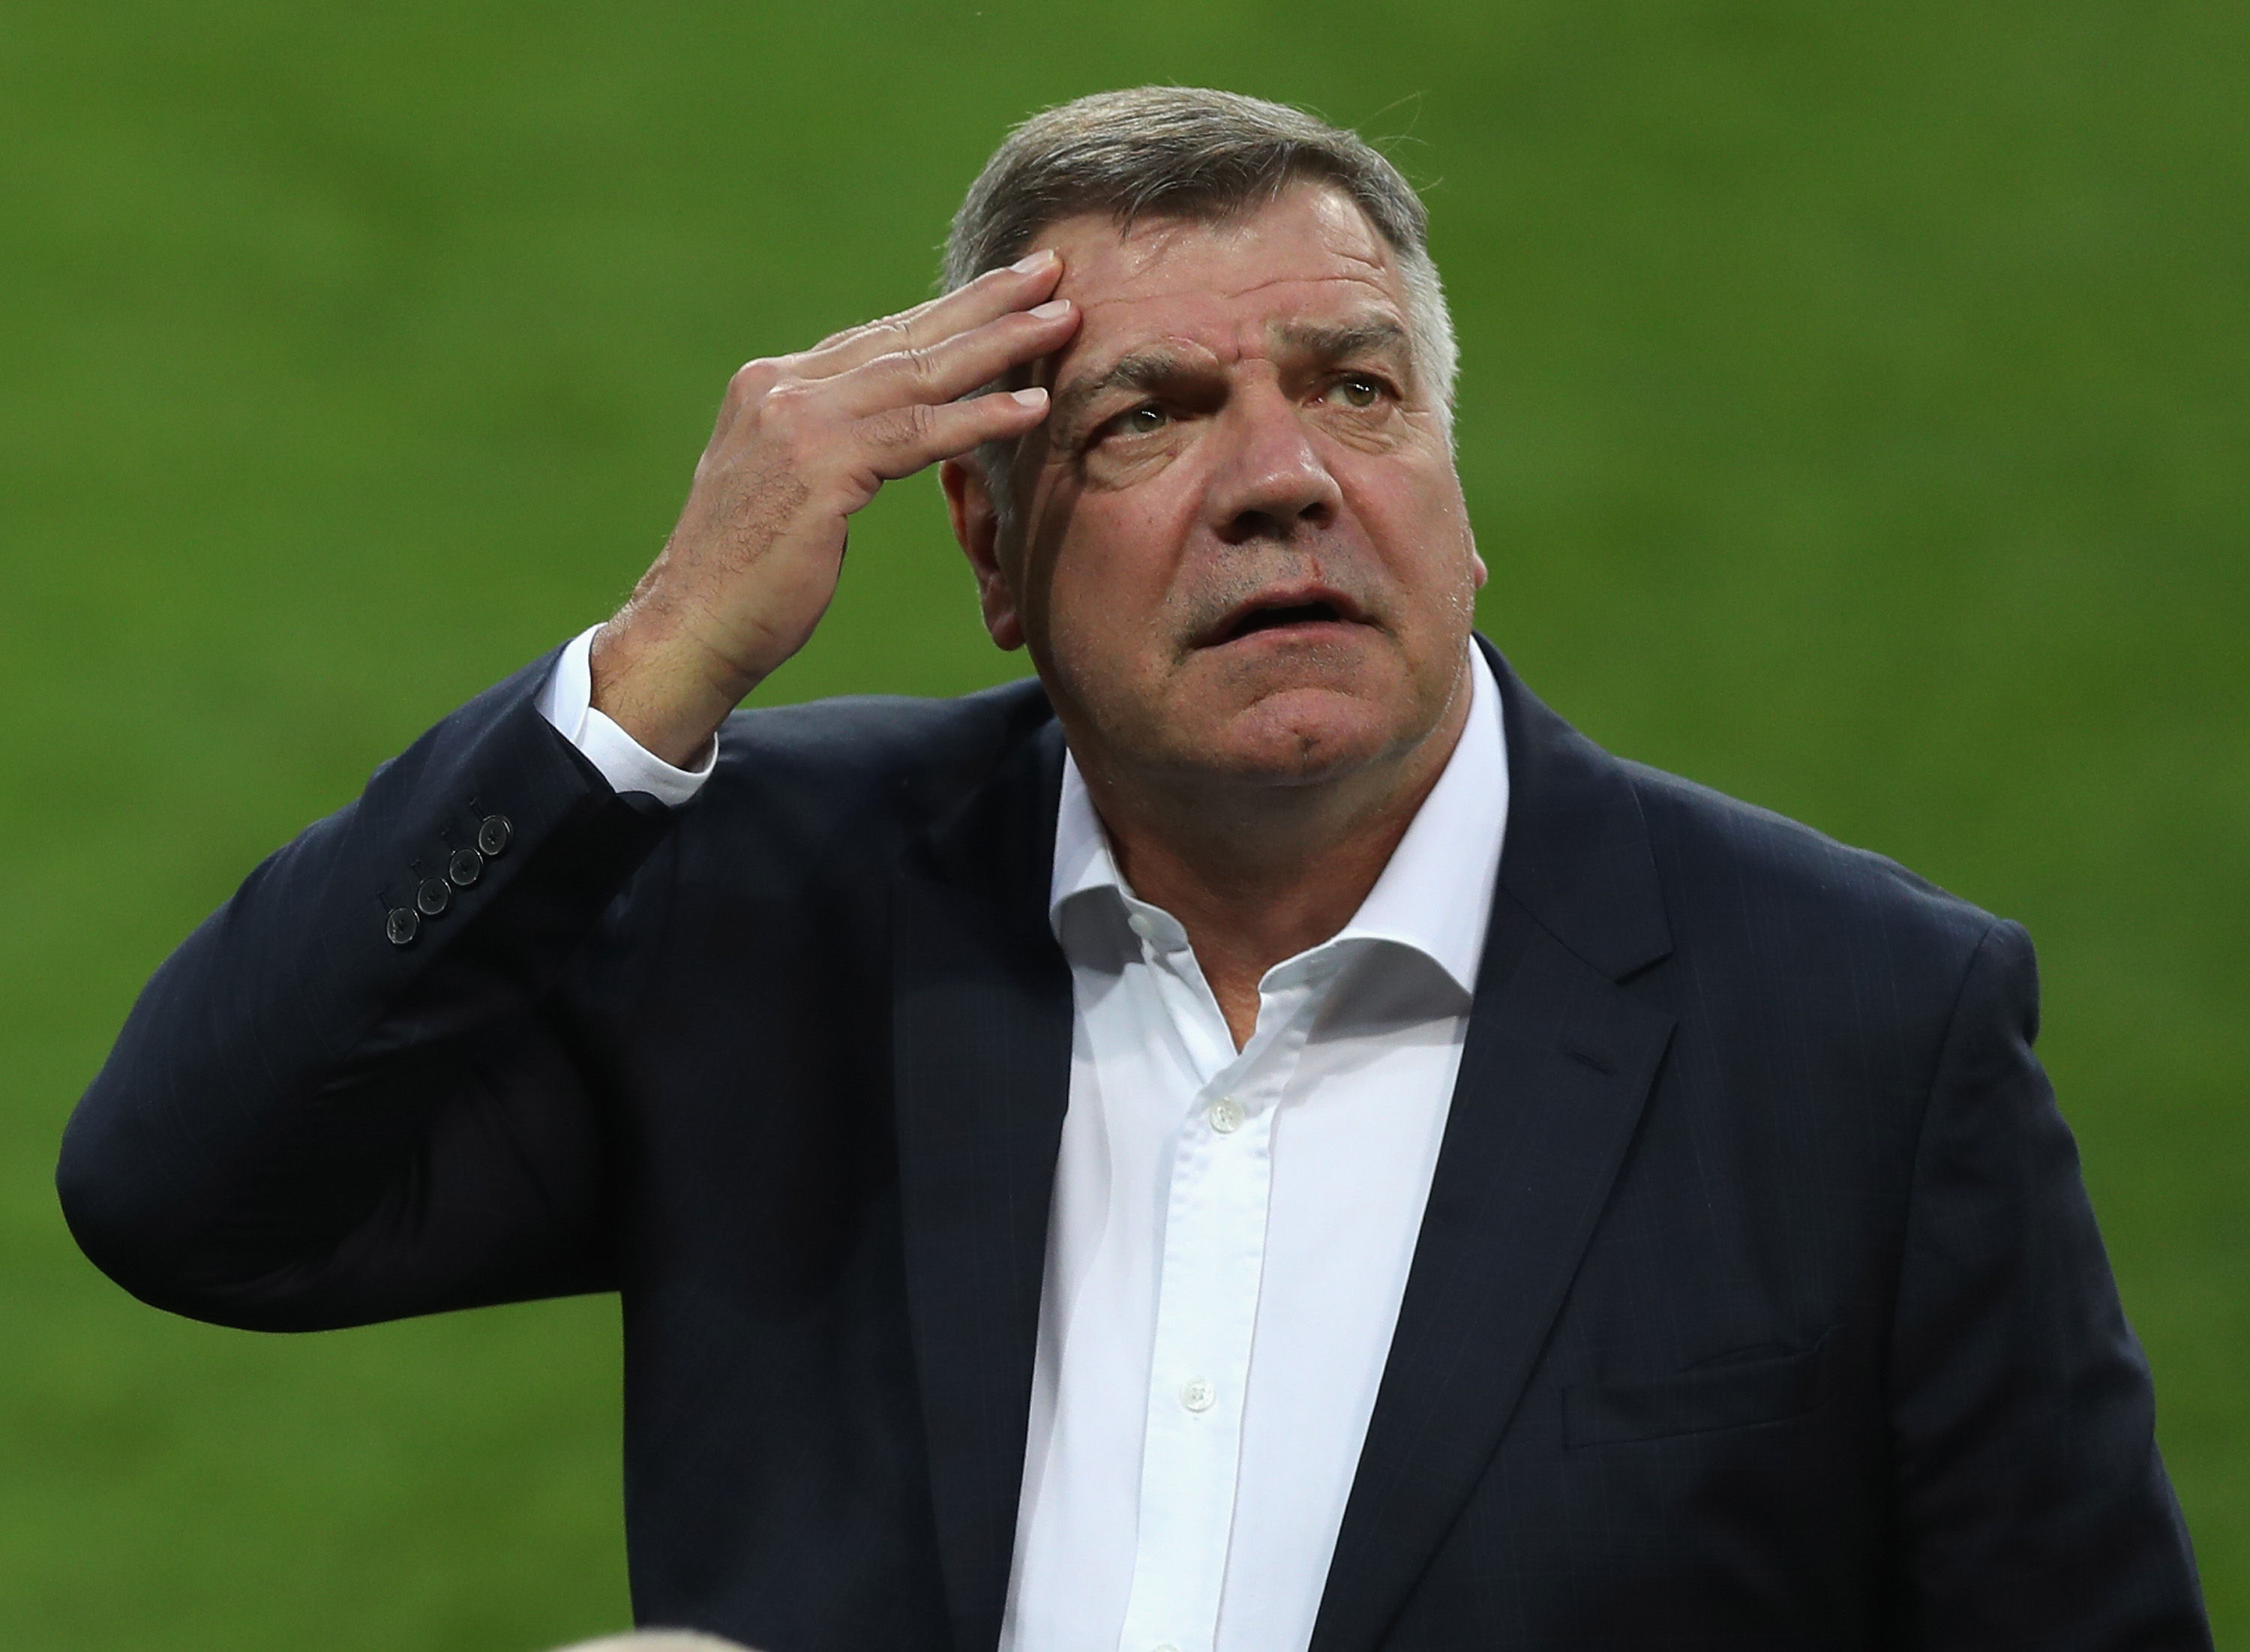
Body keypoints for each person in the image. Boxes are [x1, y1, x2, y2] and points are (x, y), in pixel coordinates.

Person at [57, 87, 2208, 1651]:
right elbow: (191, 1185)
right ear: (991, 554)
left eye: (1357, 391)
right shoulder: (787, 911)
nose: (1283, 479)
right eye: (1154, 418)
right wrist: (660, 661)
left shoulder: (1854, 1027)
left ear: (1458, 496)